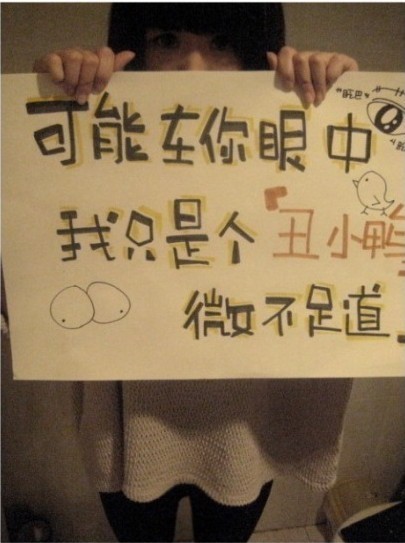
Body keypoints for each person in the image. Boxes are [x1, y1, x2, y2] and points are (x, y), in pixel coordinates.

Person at [34, 4, 357, 542]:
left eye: (222, 42)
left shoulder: (287, 134)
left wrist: (339, 103)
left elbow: (351, 237)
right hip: (132, 422)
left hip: (241, 423)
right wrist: (49, 105)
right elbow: (30, 276)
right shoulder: (98, 132)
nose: (194, 68)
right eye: (166, 39)